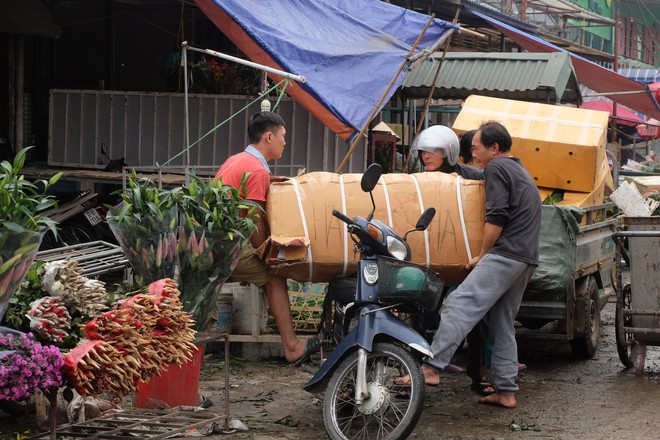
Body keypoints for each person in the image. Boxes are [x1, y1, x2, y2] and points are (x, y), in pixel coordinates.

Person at [398, 121, 542, 409]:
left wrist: (482, 254)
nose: (472, 153)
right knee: (502, 323)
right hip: (526, 257)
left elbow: (497, 216)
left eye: (476, 148)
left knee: (457, 305)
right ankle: (506, 391)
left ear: (494, 148)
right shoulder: (518, 168)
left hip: (507, 254)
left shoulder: (496, 168)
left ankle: (431, 368)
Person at [214, 111, 319, 366]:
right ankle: (292, 346)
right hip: (224, 247)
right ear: (269, 136)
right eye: (283, 137)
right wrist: (268, 254)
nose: (285, 142)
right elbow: (254, 220)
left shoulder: (238, 160)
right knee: (275, 276)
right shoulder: (256, 169)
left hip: (208, 240)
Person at [410, 125, 491, 395]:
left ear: (448, 152)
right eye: (423, 151)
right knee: (424, 314)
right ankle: (420, 371)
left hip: (466, 258)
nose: (427, 156)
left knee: (475, 318)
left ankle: (478, 375)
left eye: (433, 150)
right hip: (433, 257)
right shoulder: (419, 180)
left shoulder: (472, 178)